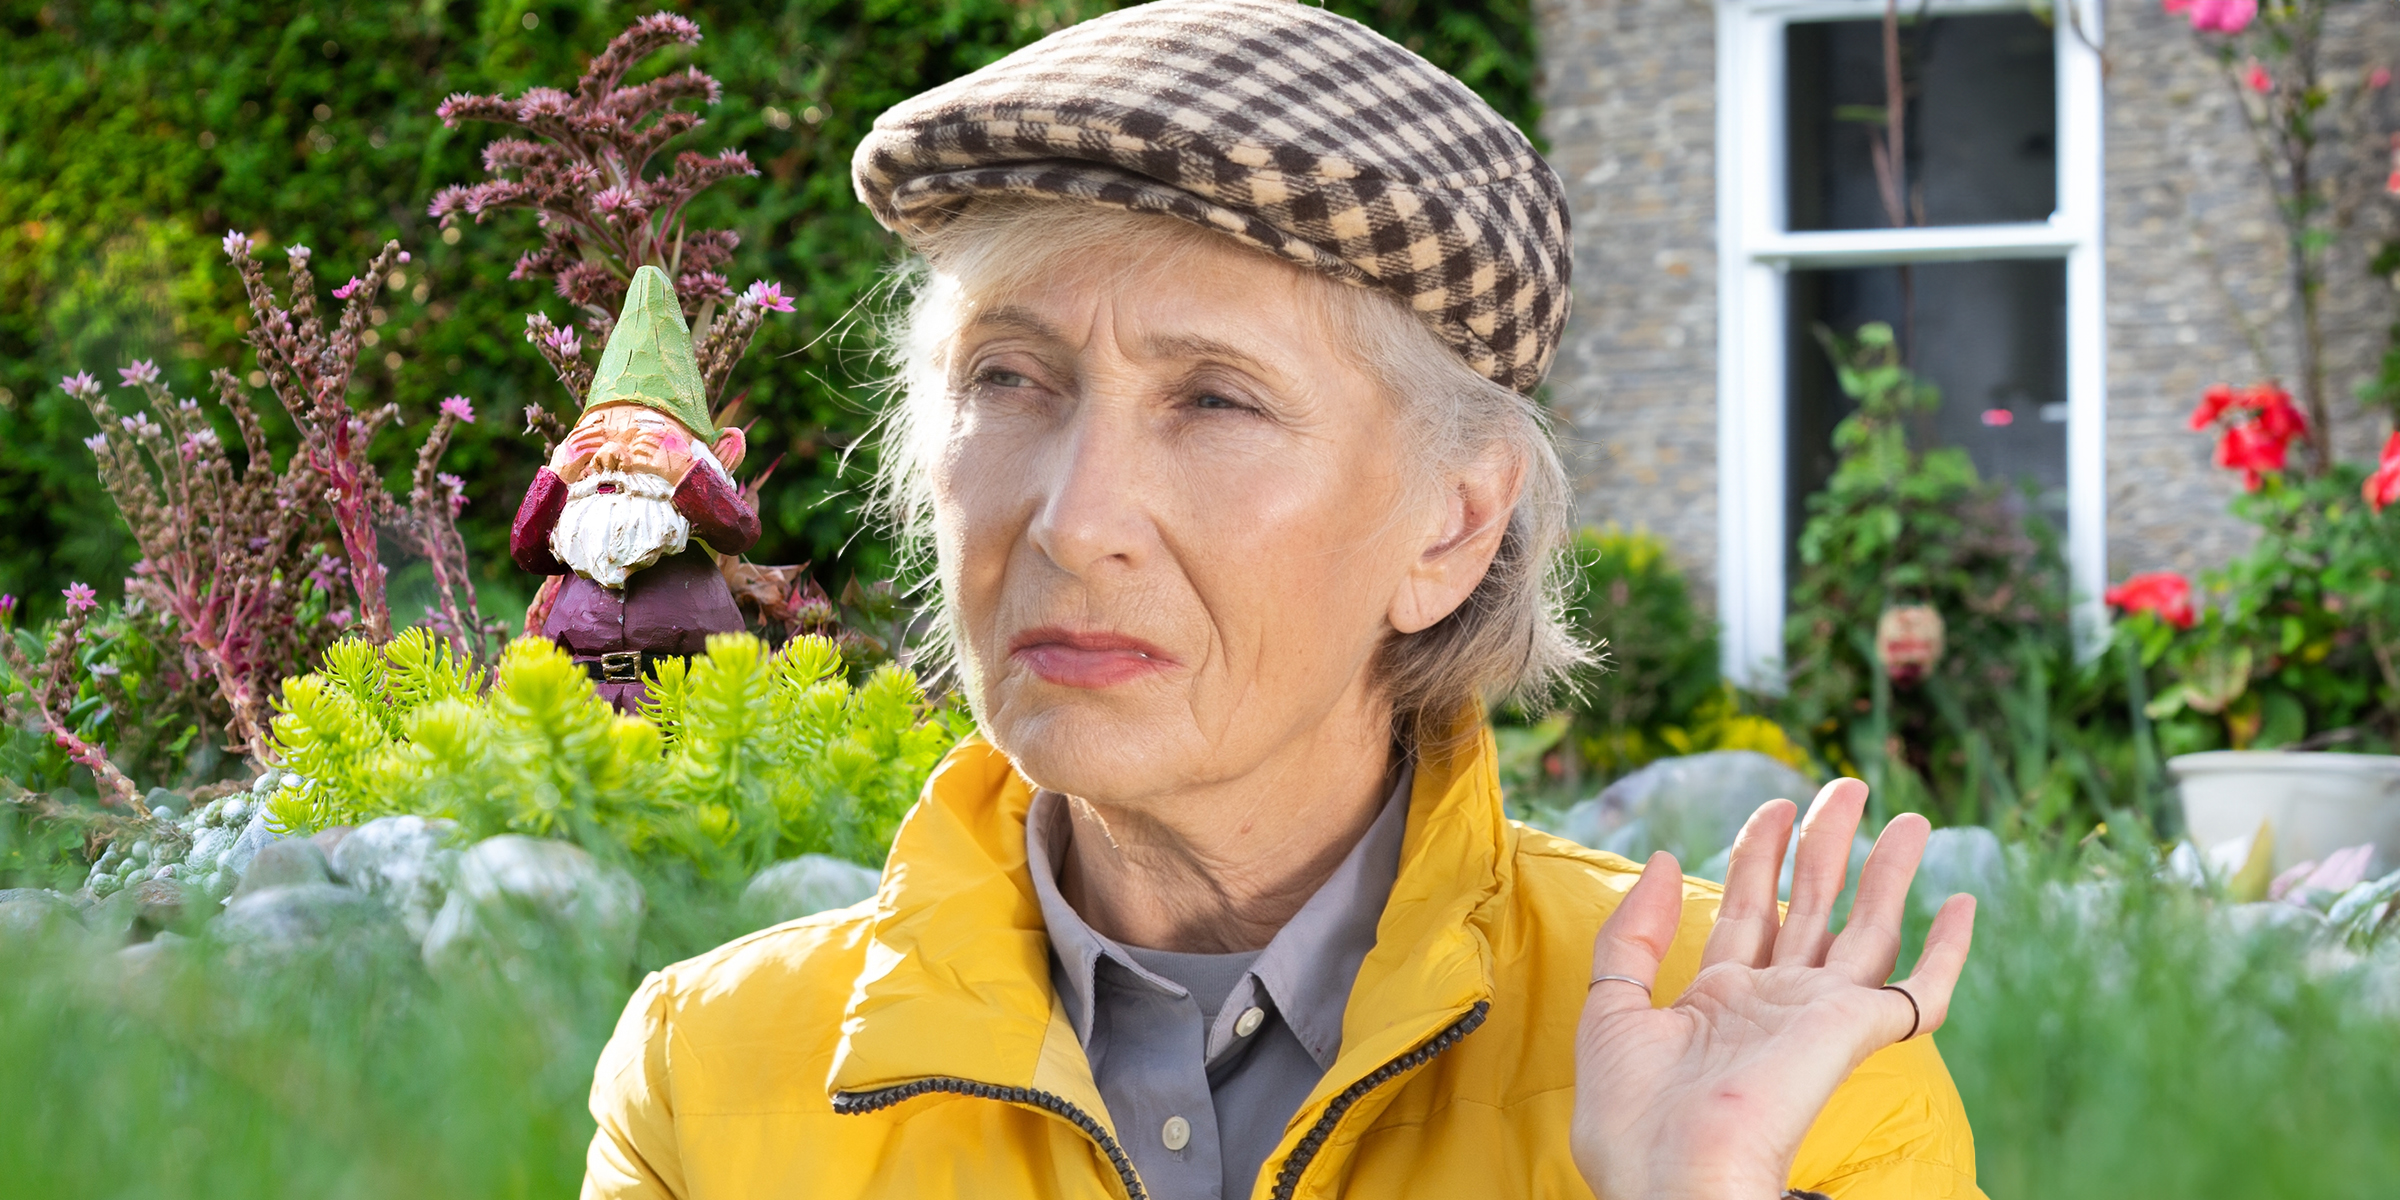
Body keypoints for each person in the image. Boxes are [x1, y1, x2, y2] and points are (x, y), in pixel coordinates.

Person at [581, 3, 1982, 1197]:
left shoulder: (1779, 1068)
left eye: (1214, 399)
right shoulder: (713, 1083)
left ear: (1452, 524)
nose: (1072, 523)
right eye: (1009, 380)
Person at [511, 265, 762, 710]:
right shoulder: (577, 535)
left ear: (721, 454)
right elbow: (528, 552)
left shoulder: (688, 497)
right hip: (579, 702)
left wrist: (684, 476)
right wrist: (555, 479)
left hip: (685, 699)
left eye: (644, 438)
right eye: (596, 437)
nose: (611, 457)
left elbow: (739, 532)